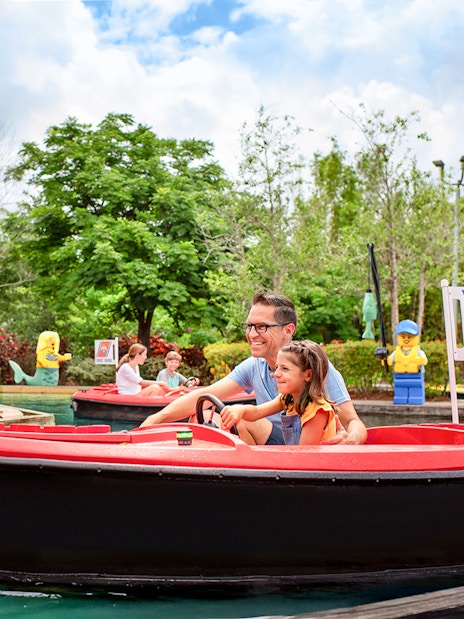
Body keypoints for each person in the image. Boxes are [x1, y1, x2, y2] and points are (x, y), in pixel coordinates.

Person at [140, 292, 367, 446]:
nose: (251, 334)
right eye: (249, 326)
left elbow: (353, 421)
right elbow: (204, 396)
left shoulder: (313, 367)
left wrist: (353, 438)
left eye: (261, 327)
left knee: (242, 419)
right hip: (274, 447)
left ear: (288, 330)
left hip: (307, 452)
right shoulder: (254, 366)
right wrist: (155, 419)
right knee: (201, 417)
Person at [220, 340, 336, 445]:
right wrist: (240, 410)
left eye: (285, 369)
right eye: (277, 367)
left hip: (309, 464)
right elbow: (257, 412)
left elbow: (304, 456)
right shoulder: (287, 398)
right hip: (294, 457)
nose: (276, 374)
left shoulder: (317, 411)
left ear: (308, 375)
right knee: (239, 420)